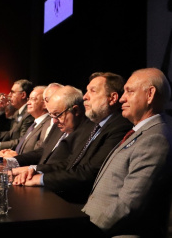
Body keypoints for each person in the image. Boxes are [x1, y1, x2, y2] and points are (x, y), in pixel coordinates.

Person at [83, 68, 172, 238]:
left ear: (150, 94)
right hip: (104, 237)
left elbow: (128, 207)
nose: (121, 99)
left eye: (129, 91)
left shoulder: (155, 139)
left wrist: (83, 231)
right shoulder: (142, 133)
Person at [11, 74, 132, 203]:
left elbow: (89, 173)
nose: (85, 97)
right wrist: (33, 171)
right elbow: (70, 162)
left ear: (112, 98)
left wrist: (40, 178)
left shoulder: (119, 126)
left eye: (93, 91)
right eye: (86, 91)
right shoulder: (96, 125)